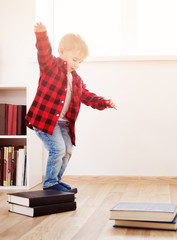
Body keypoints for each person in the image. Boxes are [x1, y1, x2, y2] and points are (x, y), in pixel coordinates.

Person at [25, 22, 116, 192]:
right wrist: (41, 35)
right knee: (57, 148)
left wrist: (104, 102)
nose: (76, 64)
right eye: (74, 60)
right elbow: (43, 52)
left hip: (63, 124)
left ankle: (56, 181)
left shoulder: (77, 80)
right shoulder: (50, 67)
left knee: (67, 151)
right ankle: (50, 183)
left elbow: (87, 96)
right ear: (61, 52)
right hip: (46, 121)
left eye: (80, 62)